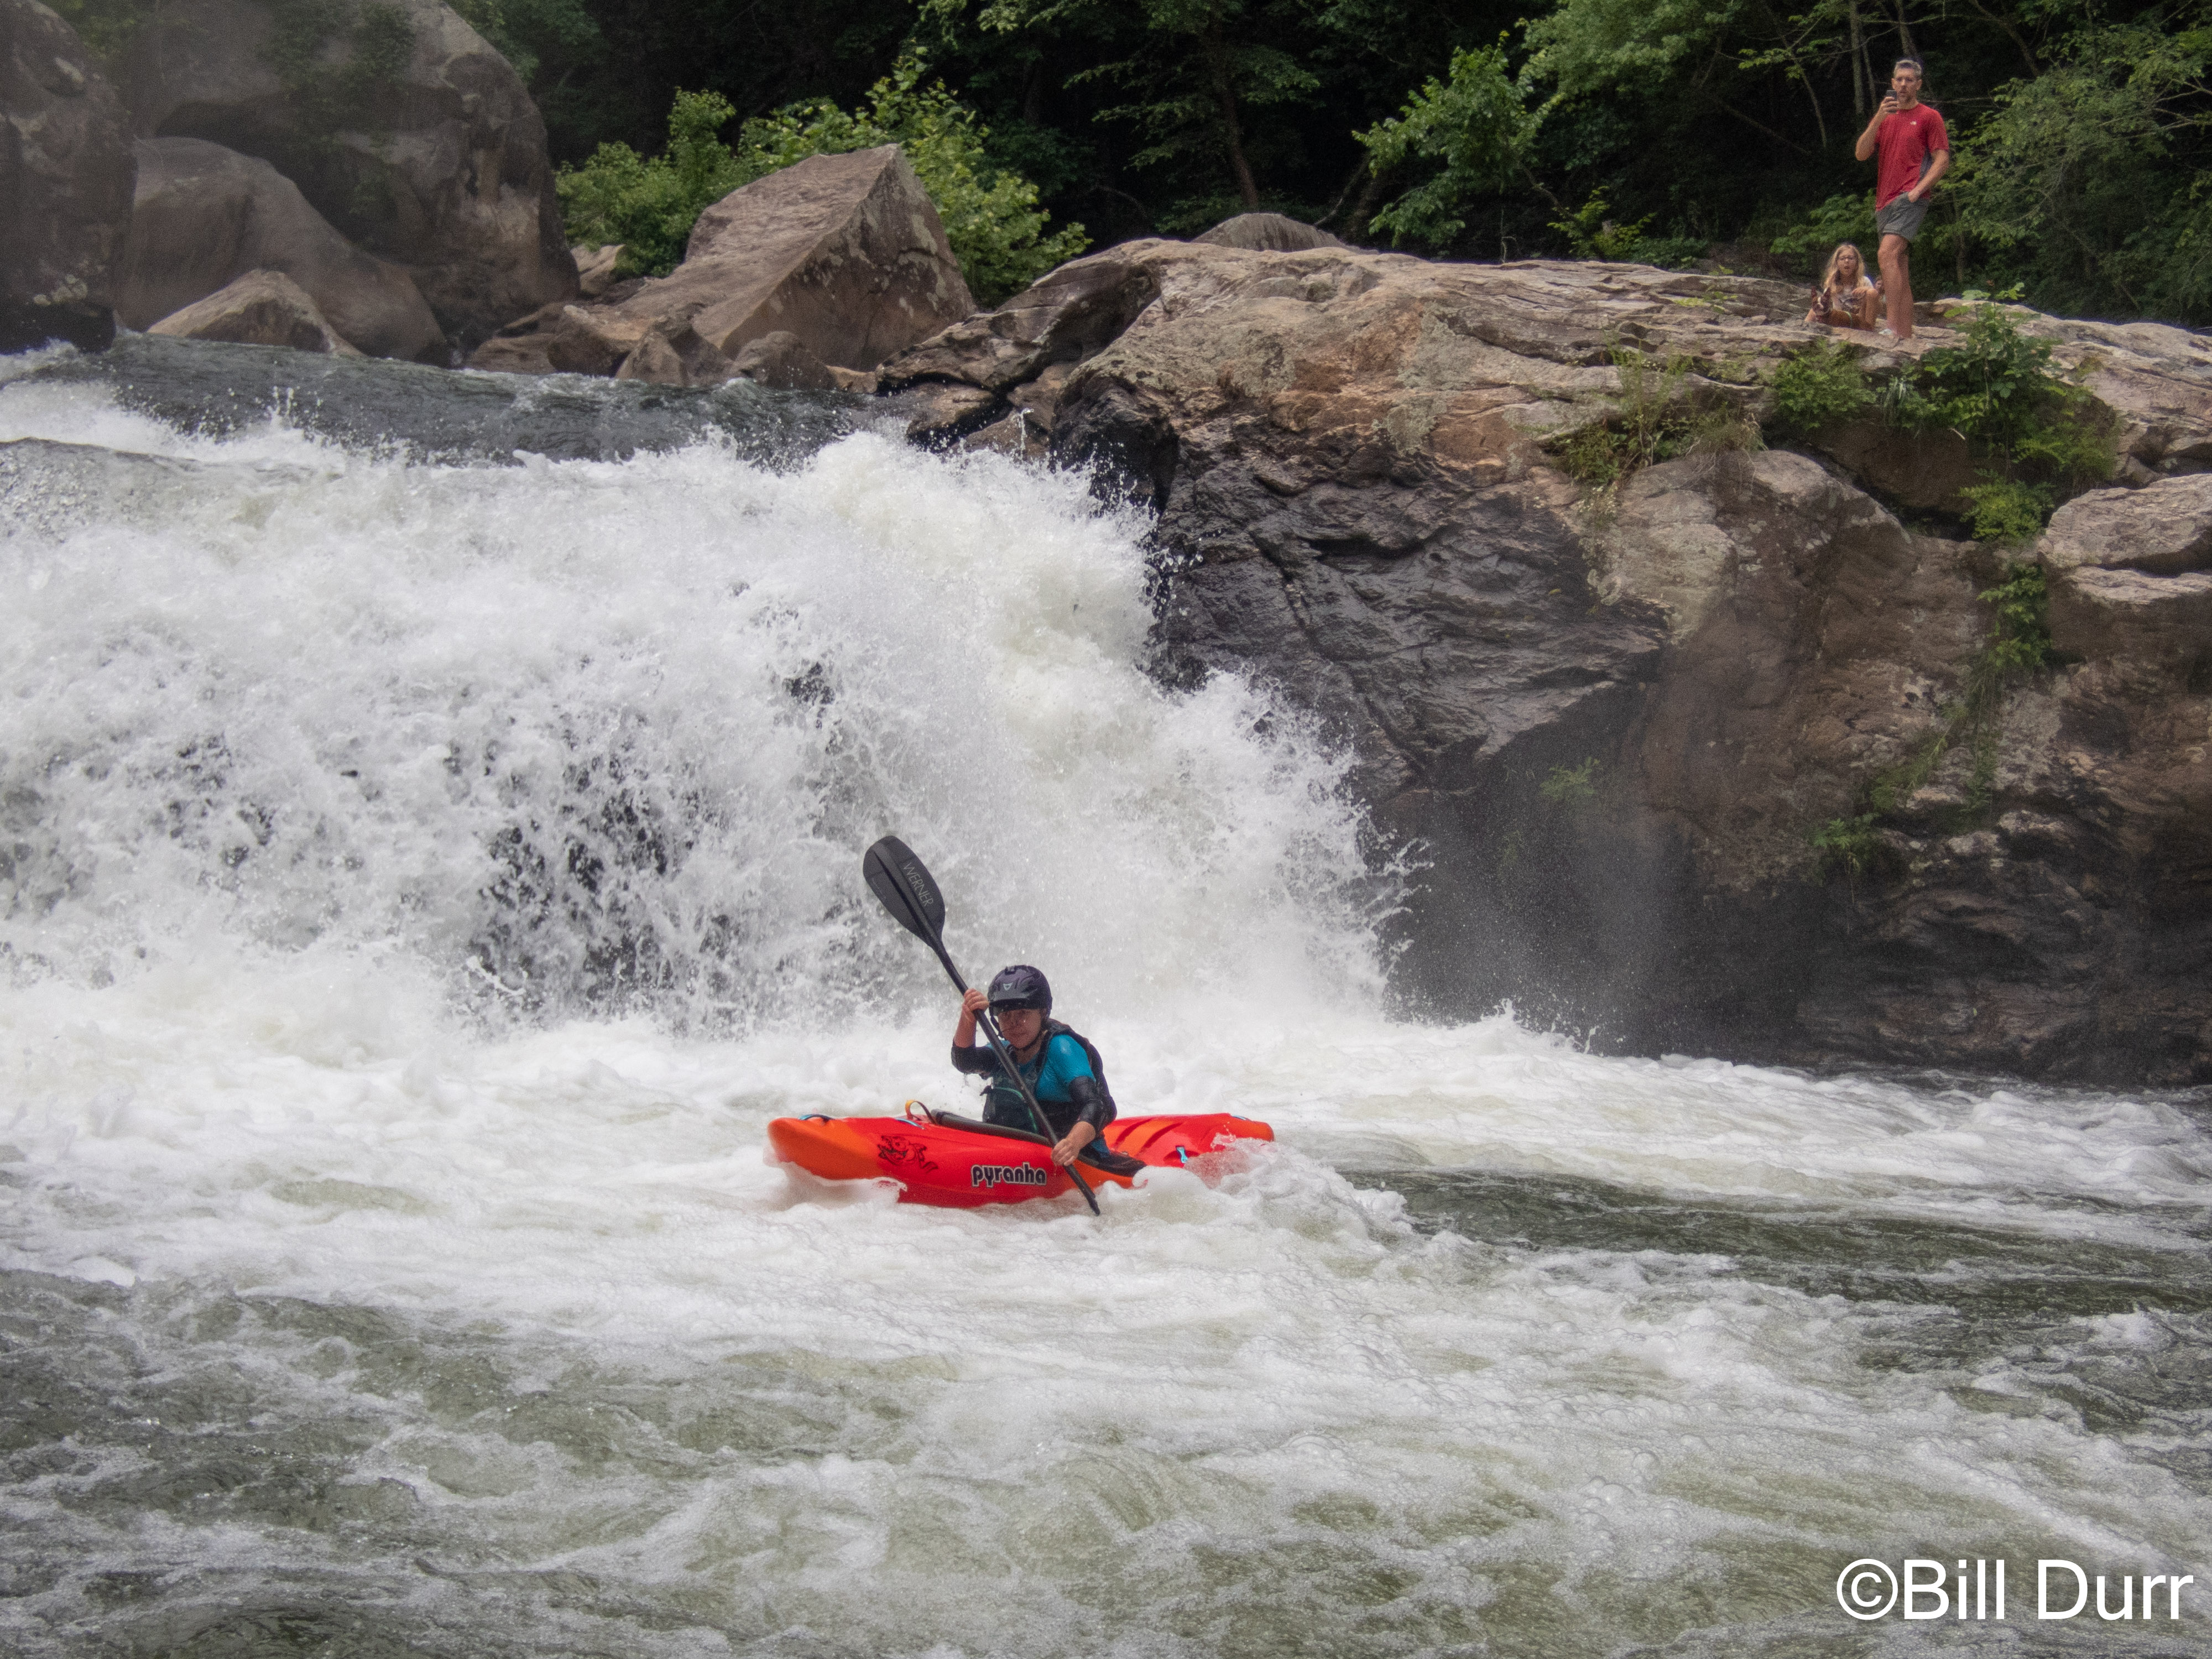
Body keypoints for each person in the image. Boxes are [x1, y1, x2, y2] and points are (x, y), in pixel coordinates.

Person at [952, 965, 1141, 1173]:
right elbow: (965, 1061)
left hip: (1079, 1160)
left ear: (1042, 1012)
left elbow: (1097, 1106)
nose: (1014, 1023)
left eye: (1023, 1013)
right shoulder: (1003, 1051)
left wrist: (1072, 1144)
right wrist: (968, 1018)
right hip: (1016, 1158)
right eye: (1006, 1016)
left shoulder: (1062, 1049)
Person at [1853, 58, 1950, 341]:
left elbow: (1942, 160)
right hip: (1884, 202)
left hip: (1910, 197)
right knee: (1900, 268)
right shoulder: (1885, 116)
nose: (1904, 85)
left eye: (1910, 80)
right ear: (1892, 83)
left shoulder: (1930, 117)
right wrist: (1878, 118)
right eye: (1900, 79)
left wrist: (1918, 190)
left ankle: (1892, 326)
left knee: (1886, 255)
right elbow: (1861, 154)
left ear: (1918, 85)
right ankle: (1905, 338)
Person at [1806, 243, 1879, 330]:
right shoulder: (1832, 283)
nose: (1847, 261)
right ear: (1837, 263)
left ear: (1857, 263)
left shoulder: (1864, 281)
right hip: (1840, 319)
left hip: (1859, 320)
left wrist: (1867, 289)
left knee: (1872, 292)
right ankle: (1804, 329)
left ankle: (1870, 329)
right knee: (1813, 310)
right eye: (1842, 259)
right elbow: (1827, 309)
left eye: (1851, 258)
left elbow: (1878, 306)